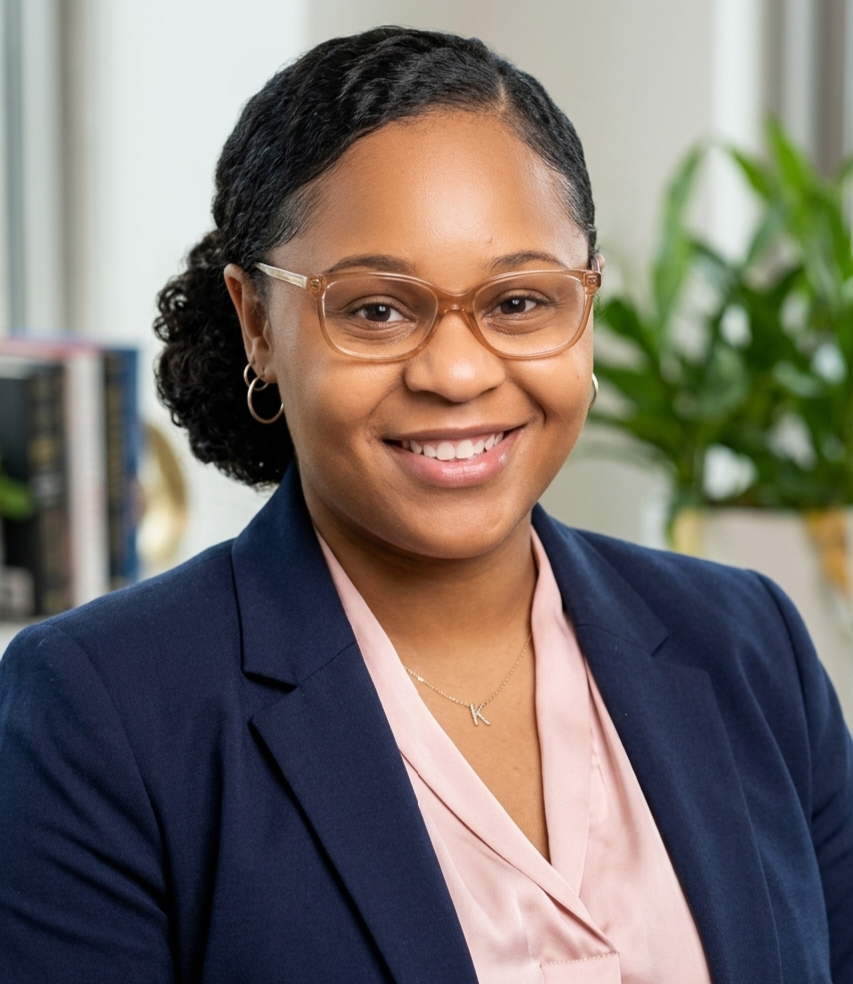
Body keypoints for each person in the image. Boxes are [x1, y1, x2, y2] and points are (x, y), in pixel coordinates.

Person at [0, 26, 851, 984]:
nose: (455, 371)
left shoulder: (749, 646)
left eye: (520, 302)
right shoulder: (101, 706)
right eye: (375, 309)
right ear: (257, 325)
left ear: (587, 305)